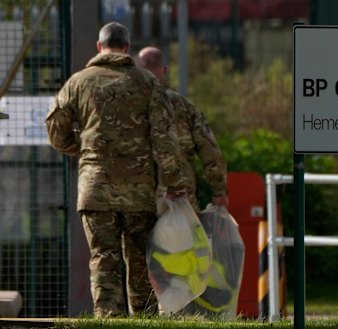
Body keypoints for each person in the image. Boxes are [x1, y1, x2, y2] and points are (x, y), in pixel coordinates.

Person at [45, 22, 189, 318]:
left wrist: (81, 148)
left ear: (99, 47)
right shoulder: (148, 83)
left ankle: (109, 319)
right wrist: (175, 183)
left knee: (103, 259)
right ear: (127, 47)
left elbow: (55, 129)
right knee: (139, 262)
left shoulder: (78, 82)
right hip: (139, 193)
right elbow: (165, 138)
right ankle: (145, 320)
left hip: (95, 188)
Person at [135, 46, 228, 212]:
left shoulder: (127, 106)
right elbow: (210, 150)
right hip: (181, 198)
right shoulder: (184, 106)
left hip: (138, 198)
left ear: (137, 71)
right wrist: (218, 190)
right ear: (165, 70)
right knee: (185, 238)